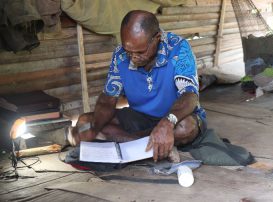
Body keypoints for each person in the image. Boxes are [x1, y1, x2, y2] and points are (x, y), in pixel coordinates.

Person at [70, 10, 206, 162]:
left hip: (175, 117)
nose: (133, 58)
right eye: (129, 52)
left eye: (140, 52)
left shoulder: (178, 49)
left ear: (157, 38)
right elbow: (107, 100)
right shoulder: (120, 55)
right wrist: (94, 128)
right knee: (86, 121)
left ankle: (134, 143)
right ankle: (152, 147)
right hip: (140, 117)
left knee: (186, 128)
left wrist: (167, 123)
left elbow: (190, 95)